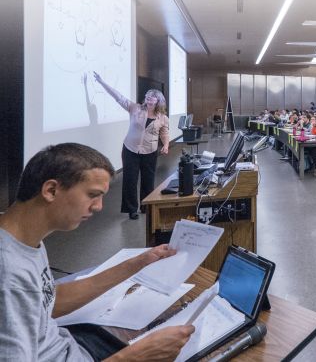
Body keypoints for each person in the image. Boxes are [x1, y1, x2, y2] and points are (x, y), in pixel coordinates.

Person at [0, 143, 194, 360]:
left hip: (69, 346)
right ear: (51, 190)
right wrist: (135, 357)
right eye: (93, 194)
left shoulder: (23, 238)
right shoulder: (8, 272)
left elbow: (48, 303)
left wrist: (137, 263)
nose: (99, 206)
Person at [93, 72, 169, 220]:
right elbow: (118, 97)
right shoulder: (135, 108)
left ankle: (146, 206)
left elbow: (164, 133)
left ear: (158, 101)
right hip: (130, 149)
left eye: (152, 98)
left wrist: (165, 145)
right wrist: (102, 82)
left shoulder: (163, 118)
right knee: (130, 179)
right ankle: (131, 209)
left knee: (148, 180)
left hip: (150, 151)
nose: (148, 100)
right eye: (147, 97)